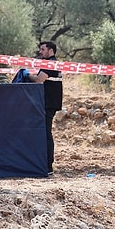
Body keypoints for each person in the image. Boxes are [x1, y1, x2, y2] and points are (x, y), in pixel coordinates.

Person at [26, 41, 63, 176]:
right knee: (45, 132)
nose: (40, 52)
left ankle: (48, 165)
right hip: (48, 103)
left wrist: (27, 75)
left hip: (48, 104)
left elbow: (39, 80)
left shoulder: (50, 64)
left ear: (51, 51)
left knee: (46, 133)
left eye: (43, 49)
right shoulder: (51, 64)